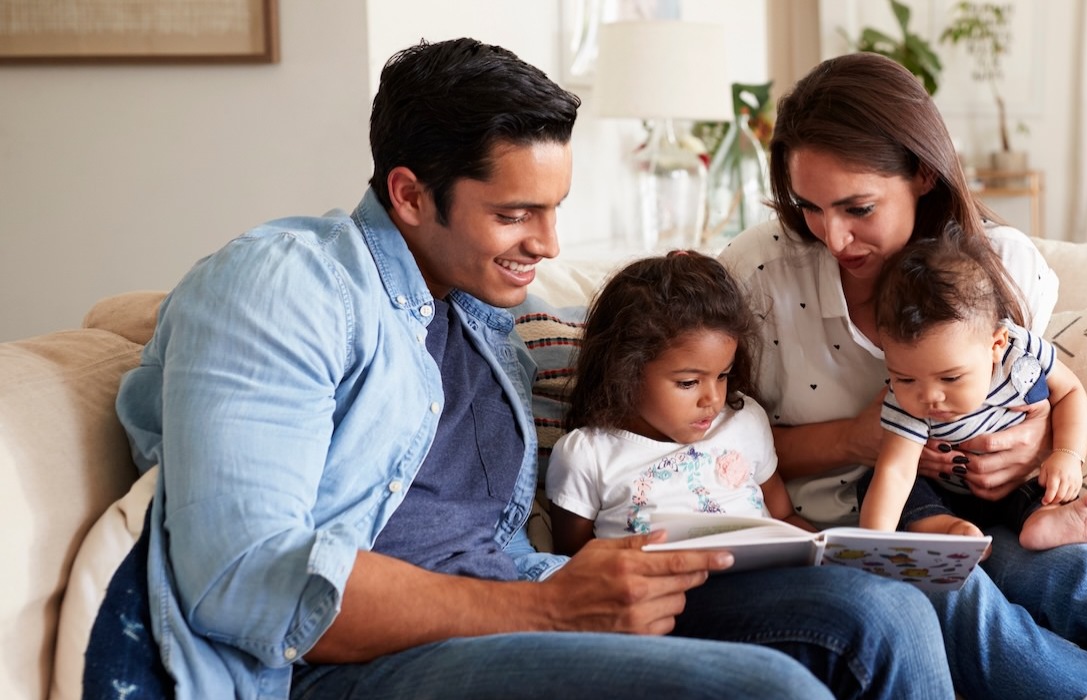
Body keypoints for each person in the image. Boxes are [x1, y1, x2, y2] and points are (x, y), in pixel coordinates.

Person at [101, 39, 950, 700]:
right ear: (409, 195)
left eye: (554, 210)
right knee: (769, 692)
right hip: (353, 665)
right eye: (515, 214)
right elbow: (244, 576)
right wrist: (549, 608)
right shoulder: (283, 286)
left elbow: (645, 358)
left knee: (884, 614)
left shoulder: (481, 309)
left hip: (529, 595)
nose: (547, 245)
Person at [719, 52, 1087, 700]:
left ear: (922, 173)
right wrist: (858, 440)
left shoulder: (1001, 266)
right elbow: (705, 446)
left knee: (1081, 572)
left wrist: (1033, 448)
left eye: (858, 207)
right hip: (854, 528)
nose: (833, 237)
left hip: (992, 506)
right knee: (949, 590)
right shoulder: (759, 274)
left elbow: (1035, 396)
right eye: (809, 207)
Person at [544, 251, 813, 553]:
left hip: (770, 580)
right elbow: (575, 566)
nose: (713, 399)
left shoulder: (745, 419)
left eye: (723, 375)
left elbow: (784, 517)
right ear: (625, 372)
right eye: (688, 383)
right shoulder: (587, 455)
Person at [861, 235, 1087, 551]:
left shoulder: (1019, 356)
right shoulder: (905, 400)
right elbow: (896, 471)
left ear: (996, 344)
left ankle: (1043, 520)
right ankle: (946, 528)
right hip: (945, 495)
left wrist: (1068, 455)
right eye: (905, 379)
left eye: (950, 378)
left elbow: (1070, 391)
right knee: (877, 482)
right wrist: (870, 548)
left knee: (1046, 486)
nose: (929, 396)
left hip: (1016, 484)